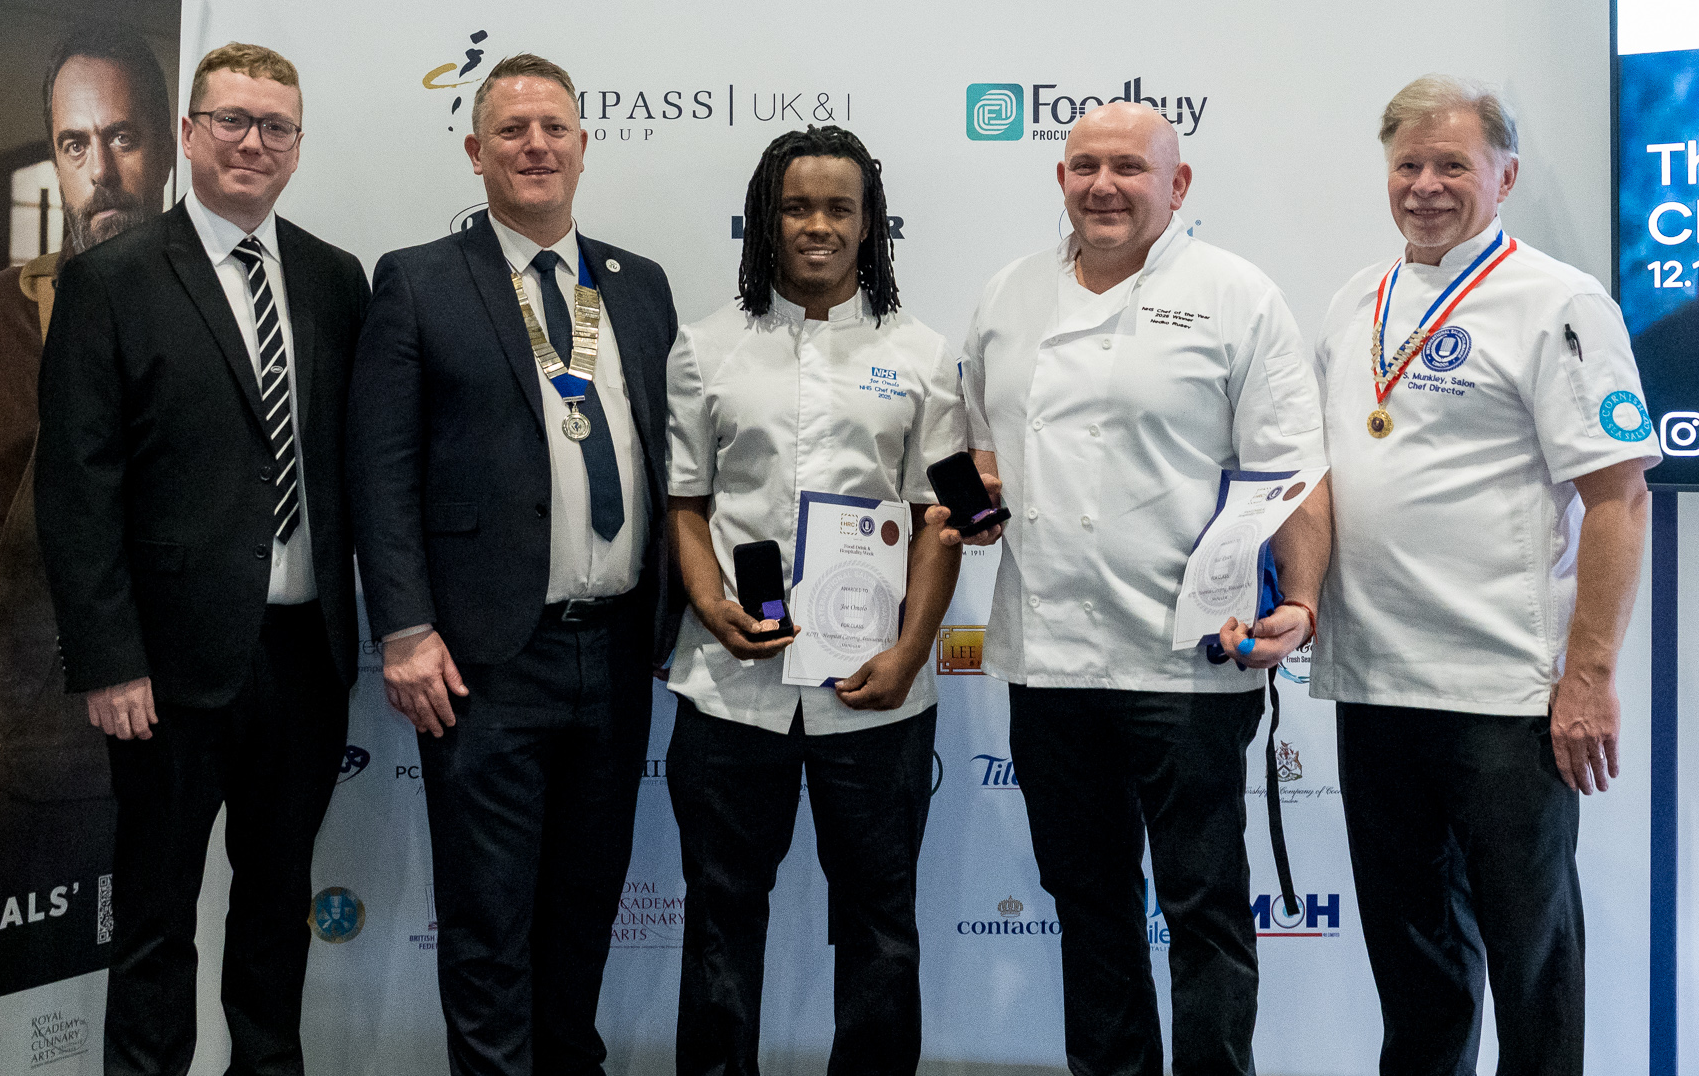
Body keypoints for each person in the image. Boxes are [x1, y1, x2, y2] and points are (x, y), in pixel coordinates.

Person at [955, 100, 1328, 1076]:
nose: (1103, 185)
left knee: (1204, 910)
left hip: (1188, 661)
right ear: (1060, 178)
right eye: (1084, 165)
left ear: (1177, 183)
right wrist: (979, 503)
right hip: (1048, 662)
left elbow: (1292, 469)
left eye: (1128, 166)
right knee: (1088, 905)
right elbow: (982, 449)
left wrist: (1300, 601)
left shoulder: (1235, 295)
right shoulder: (1007, 296)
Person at [35, 42, 370, 1076]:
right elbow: (76, 489)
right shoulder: (110, 280)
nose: (252, 142)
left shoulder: (335, 279)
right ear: (188, 133)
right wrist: (108, 660)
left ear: (297, 146)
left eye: (275, 126)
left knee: (275, 911)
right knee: (155, 918)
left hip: (305, 658)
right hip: (167, 672)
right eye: (231, 120)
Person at [1312, 75, 1657, 1076]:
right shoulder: (1355, 299)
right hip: (1374, 685)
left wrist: (1587, 675)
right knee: (1412, 966)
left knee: (1531, 965)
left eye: (1451, 165)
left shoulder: (1558, 302)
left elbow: (1617, 499)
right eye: (1408, 164)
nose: (1425, 185)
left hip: (1504, 695)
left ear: (1503, 176)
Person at [348, 52, 680, 1076]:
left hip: (616, 652)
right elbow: (380, 469)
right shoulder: (418, 279)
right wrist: (404, 628)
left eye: (554, 128)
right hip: (483, 658)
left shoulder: (635, 284)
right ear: (474, 151)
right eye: (512, 130)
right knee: (489, 923)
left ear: (583, 145)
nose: (535, 146)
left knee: (583, 913)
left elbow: (667, 455)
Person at [664, 127, 965, 1076]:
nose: (818, 226)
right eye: (797, 207)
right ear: (766, 218)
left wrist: (911, 651)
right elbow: (685, 501)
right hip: (730, 688)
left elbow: (937, 518)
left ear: (871, 224)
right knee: (720, 917)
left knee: (880, 924)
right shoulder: (706, 347)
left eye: (840, 207)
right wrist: (710, 602)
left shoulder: (921, 354)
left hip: (877, 691)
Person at [0, 23, 172, 902]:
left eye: (123, 136)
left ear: (167, 145)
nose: (101, 170)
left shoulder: (222, 314)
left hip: (189, 761)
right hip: (35, 773)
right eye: (75, 144)